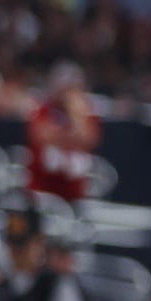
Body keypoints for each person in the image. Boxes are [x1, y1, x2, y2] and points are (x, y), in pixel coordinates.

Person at [25, 62, 101, 202]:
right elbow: (42, 137)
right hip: (43, 189)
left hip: (73, 191)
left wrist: (76, 115)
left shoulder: (84, 113)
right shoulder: (43, 109)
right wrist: (70, 138)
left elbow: (88, 140)